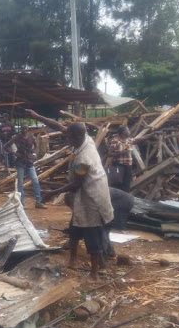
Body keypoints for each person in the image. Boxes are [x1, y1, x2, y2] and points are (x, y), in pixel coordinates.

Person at [23, 109, 113, 282]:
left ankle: (94, 274)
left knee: (92, 236)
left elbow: (76, 184)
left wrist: (52, 192)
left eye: (69, 138)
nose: (66, 139)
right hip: (82, 198)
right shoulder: (84, 139)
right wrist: (37, 116)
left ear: (76, 138)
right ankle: (72, 260)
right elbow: (58, 125)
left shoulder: (84, 158)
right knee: (74, 230)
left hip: (92, 199)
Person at [3, 123, 46, 209]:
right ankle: (22, 204)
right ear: (21, 130)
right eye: (23, 129)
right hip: (20, 162)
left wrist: (33, 152)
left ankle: (38, 202)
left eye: (26, 129)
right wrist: (15, 153)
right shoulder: (16, 137)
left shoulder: (31, 136)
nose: (24, 130)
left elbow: (36, 145)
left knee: (35, 181)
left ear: (28, 129)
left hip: (29, 162)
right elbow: (6, 147)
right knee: (20, 184)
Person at [108, 126, 135, 192]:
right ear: (123, 132)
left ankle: (125, 198)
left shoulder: (129, 140)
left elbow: (142, 138)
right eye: (127, 130)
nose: (129, 131)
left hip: (128, 166)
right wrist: (121, 153)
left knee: (127, 184)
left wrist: (154, 133)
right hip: (118, 166)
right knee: (118, 183)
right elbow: (109, 154)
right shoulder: (115, 141)